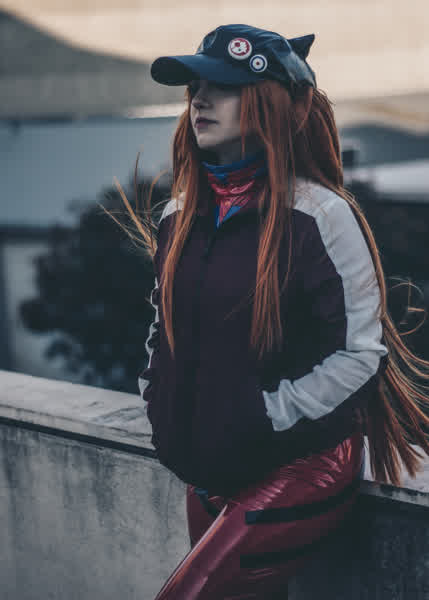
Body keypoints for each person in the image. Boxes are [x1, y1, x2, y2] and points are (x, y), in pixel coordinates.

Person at [115, 23, 429, 599]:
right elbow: (163, 330)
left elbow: (360, 355)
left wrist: (263, 413)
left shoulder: (320, 216)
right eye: (195, 87)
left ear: (273, 102)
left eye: (223, 87)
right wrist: (159, 400)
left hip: (299, 466)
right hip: (207, 468)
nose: (200, 100)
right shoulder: (176, 216)